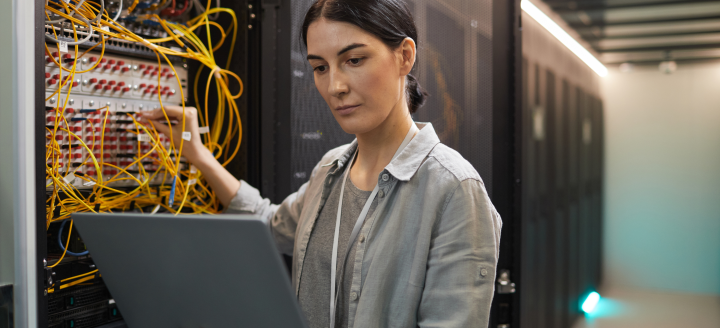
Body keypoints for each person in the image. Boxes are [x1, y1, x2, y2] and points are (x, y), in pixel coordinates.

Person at [140, 0, 502, 327]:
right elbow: (271, 225)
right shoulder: (332, 170)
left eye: (354, 60)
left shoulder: (453, 190)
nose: (335, 86)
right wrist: (199, 156)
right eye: (320, 67)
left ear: (404, 56)